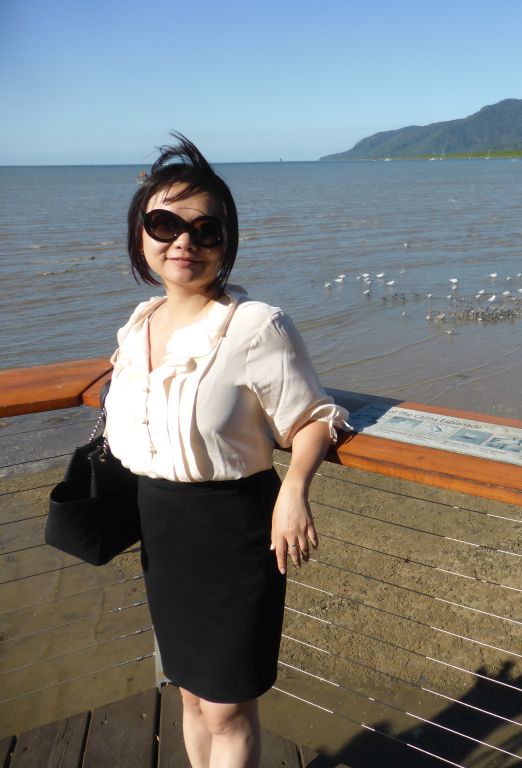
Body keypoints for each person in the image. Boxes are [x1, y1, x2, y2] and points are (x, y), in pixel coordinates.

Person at [104, 133, 348, 768]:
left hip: (236, 528)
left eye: (205, 229)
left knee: (228, 705)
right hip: (162, 525)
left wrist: (293, 492)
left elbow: (314, 418)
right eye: (164, 223)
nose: (184, 241)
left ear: (225, 245)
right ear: (141, 236)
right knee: (188, 692)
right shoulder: (139, 324)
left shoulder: (256, 326)